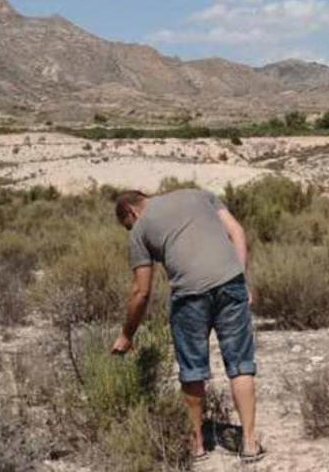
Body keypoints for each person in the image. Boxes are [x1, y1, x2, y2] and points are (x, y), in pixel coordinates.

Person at [111, 188, 265, 464]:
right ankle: (250, 444)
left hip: (189, 295)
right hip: (230, 283)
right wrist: (241, 279)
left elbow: (141, 292)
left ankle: (197, 446)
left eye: (127, 226)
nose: (129, 231)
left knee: (192, 369)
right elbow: (237, 232)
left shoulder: (138, 230)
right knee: (240, 363)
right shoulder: (199, 194)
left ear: (131, 213)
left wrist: (126, 334)